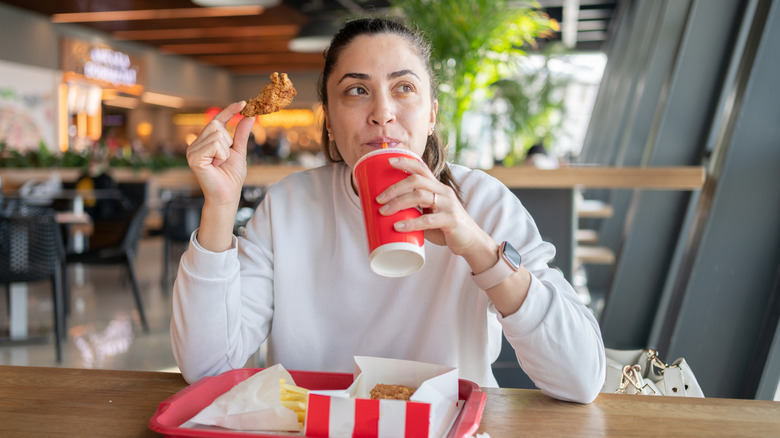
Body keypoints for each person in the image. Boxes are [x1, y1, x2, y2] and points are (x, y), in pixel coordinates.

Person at [171, 18, 605, 403]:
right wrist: (221, 206)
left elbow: (581, 378)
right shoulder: (289, 206)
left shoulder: (483, 202)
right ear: (329, 120)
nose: (382, 113)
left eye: (404, 88)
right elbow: (208, 367)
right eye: (357, 91)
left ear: (431, 114)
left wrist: (479, 249)